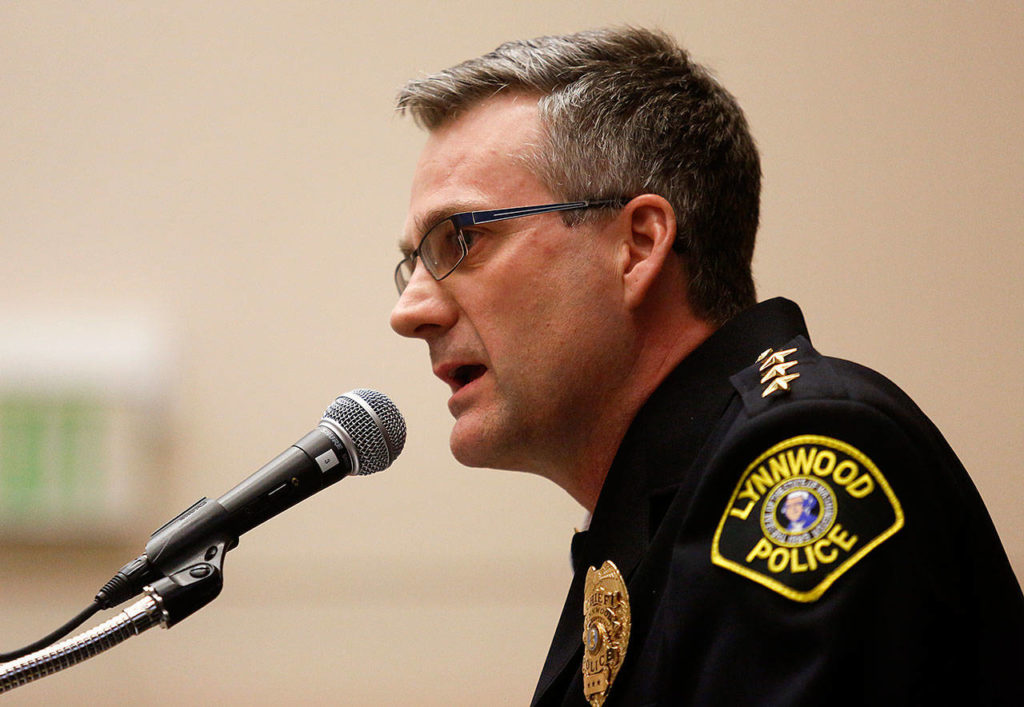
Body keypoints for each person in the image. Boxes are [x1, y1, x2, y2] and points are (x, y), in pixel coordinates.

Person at [389, 27, 1024, 705]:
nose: (411, 310)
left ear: (638, 244)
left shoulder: (800, 451)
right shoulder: (655, 514)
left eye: (462, 238)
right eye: (411, 263)